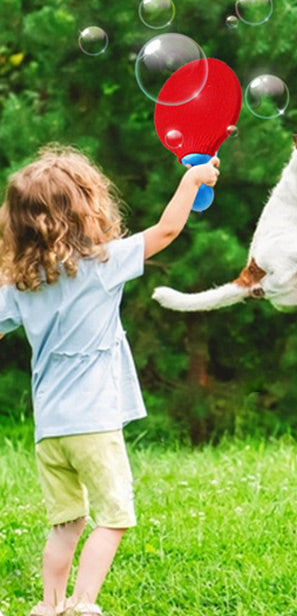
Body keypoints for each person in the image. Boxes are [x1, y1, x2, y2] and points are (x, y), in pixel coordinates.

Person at [0, 146, 220, 616]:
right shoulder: (102, 264)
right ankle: (83, 605)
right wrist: (193, 180)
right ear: (86, 209)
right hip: (94, 425)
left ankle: (48, 605)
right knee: (113, 519)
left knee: (65, 524)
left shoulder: (22, 284)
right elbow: (167, 229)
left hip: (49, 432)